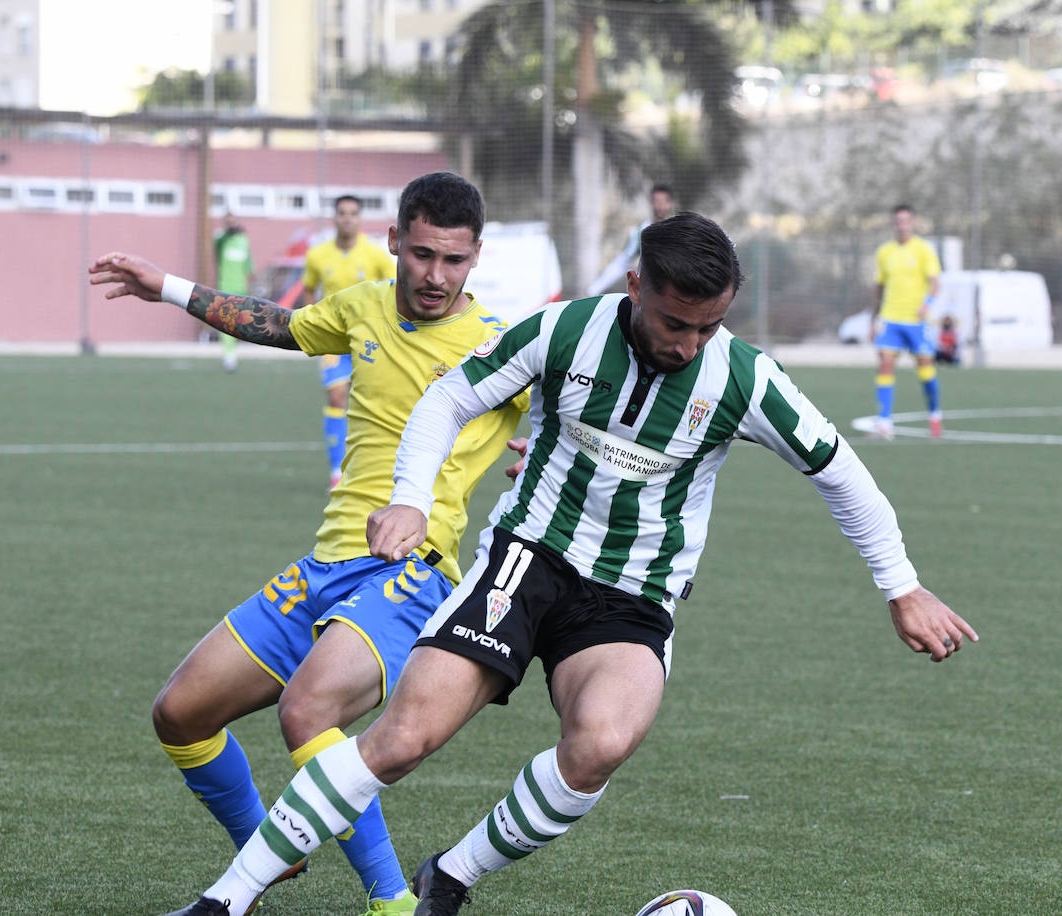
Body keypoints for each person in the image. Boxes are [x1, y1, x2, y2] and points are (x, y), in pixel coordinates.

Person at [161, 212, 978, 916]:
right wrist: (411, 496)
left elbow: (841, 473)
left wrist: (900, 588)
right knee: (404, 738)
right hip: (526, 561)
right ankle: (225, 899)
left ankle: (449, 878)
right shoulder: (565, 330)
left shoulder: (745, 378)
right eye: (674, 322)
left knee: (602, 743)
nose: (688, 344)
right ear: (635, 286)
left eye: (707, 327)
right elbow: (450, 397)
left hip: (631, 594)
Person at [89, 172, 529, 916]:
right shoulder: (360, 307)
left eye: (454, 261)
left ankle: (391, 901)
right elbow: (272, 323)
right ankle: (265, 850)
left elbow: (575, 414)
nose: (434, 276)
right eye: (422, 254)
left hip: (410, 572)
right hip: (325, 564)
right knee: (181, 713)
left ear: (477, 256)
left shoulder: (497, 347)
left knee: (308, 712)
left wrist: (541, 451)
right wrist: (166, 285)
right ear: (394, 241)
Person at [300, 194, 398, 489]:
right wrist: (309, 321)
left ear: (360, 218)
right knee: (336, 397)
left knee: (372, 404)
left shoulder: (376, 255)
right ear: (334, 217)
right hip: (332, 342)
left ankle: (374, 469)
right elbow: (308, 290)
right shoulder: (318, 255)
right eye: (342, 213)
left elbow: (394, 290)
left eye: (353, 213)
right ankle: (336, 471)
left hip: (370, 341)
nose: (347, 218)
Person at [870, 203, 943, 438]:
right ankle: (884, 422)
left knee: (925, 369)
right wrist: (874, 318)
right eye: (898, 221)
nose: (902, 225)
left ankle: (934, 415)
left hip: (917, 320)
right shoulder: (885, 252)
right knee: (886, 364)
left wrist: (927, 305)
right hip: (890, 318)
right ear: (893, 224)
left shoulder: (923, 250)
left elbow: (935, 282)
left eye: (906, 221)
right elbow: (879, 287)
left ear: (912, 222)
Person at [583, 183, 676, 296]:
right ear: (651, 203)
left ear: (670, 204)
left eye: (663, 202)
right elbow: (621, 263)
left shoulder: (679, 231)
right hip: (651, 295)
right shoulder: (642, 232)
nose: (660, 206)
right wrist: (593, 290)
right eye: (657, 201)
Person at [213, 212, 253, 373]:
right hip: (225, 287)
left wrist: (250, 284)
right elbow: (217, 244)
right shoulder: (221, 240)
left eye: (233, 221)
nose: (230, 224)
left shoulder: (244, 240)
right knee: (226, 322)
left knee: (238, 323)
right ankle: (229, 355)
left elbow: (249, 265)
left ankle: (232, 351)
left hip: (241, 288)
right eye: (227, 222)